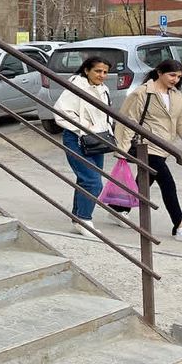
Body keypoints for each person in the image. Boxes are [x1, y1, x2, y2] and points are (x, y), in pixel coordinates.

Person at [115, 58, 182, 238]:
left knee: (144, 182)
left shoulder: (176, 95)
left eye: (178, 76)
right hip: (146, 146)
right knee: (167, 183)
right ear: (159, 73)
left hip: (164, 147)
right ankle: (179, 224)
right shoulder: (143, 93)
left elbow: (180, 123)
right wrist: (122, 149)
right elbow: (128, 121)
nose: (175, 79)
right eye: (172, 75)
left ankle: (118, 208)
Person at [52, 55, 112, 235]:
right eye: (98, 71)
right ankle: (84, 220)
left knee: (86, 180)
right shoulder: (76, 87)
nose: (102, 75)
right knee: (93, 181)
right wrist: (83, 128)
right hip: (77, 138)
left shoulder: (103, 89)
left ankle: (78, 219)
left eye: (105, 72)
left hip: (98, 140)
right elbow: (61, 112)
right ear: (87, 70)